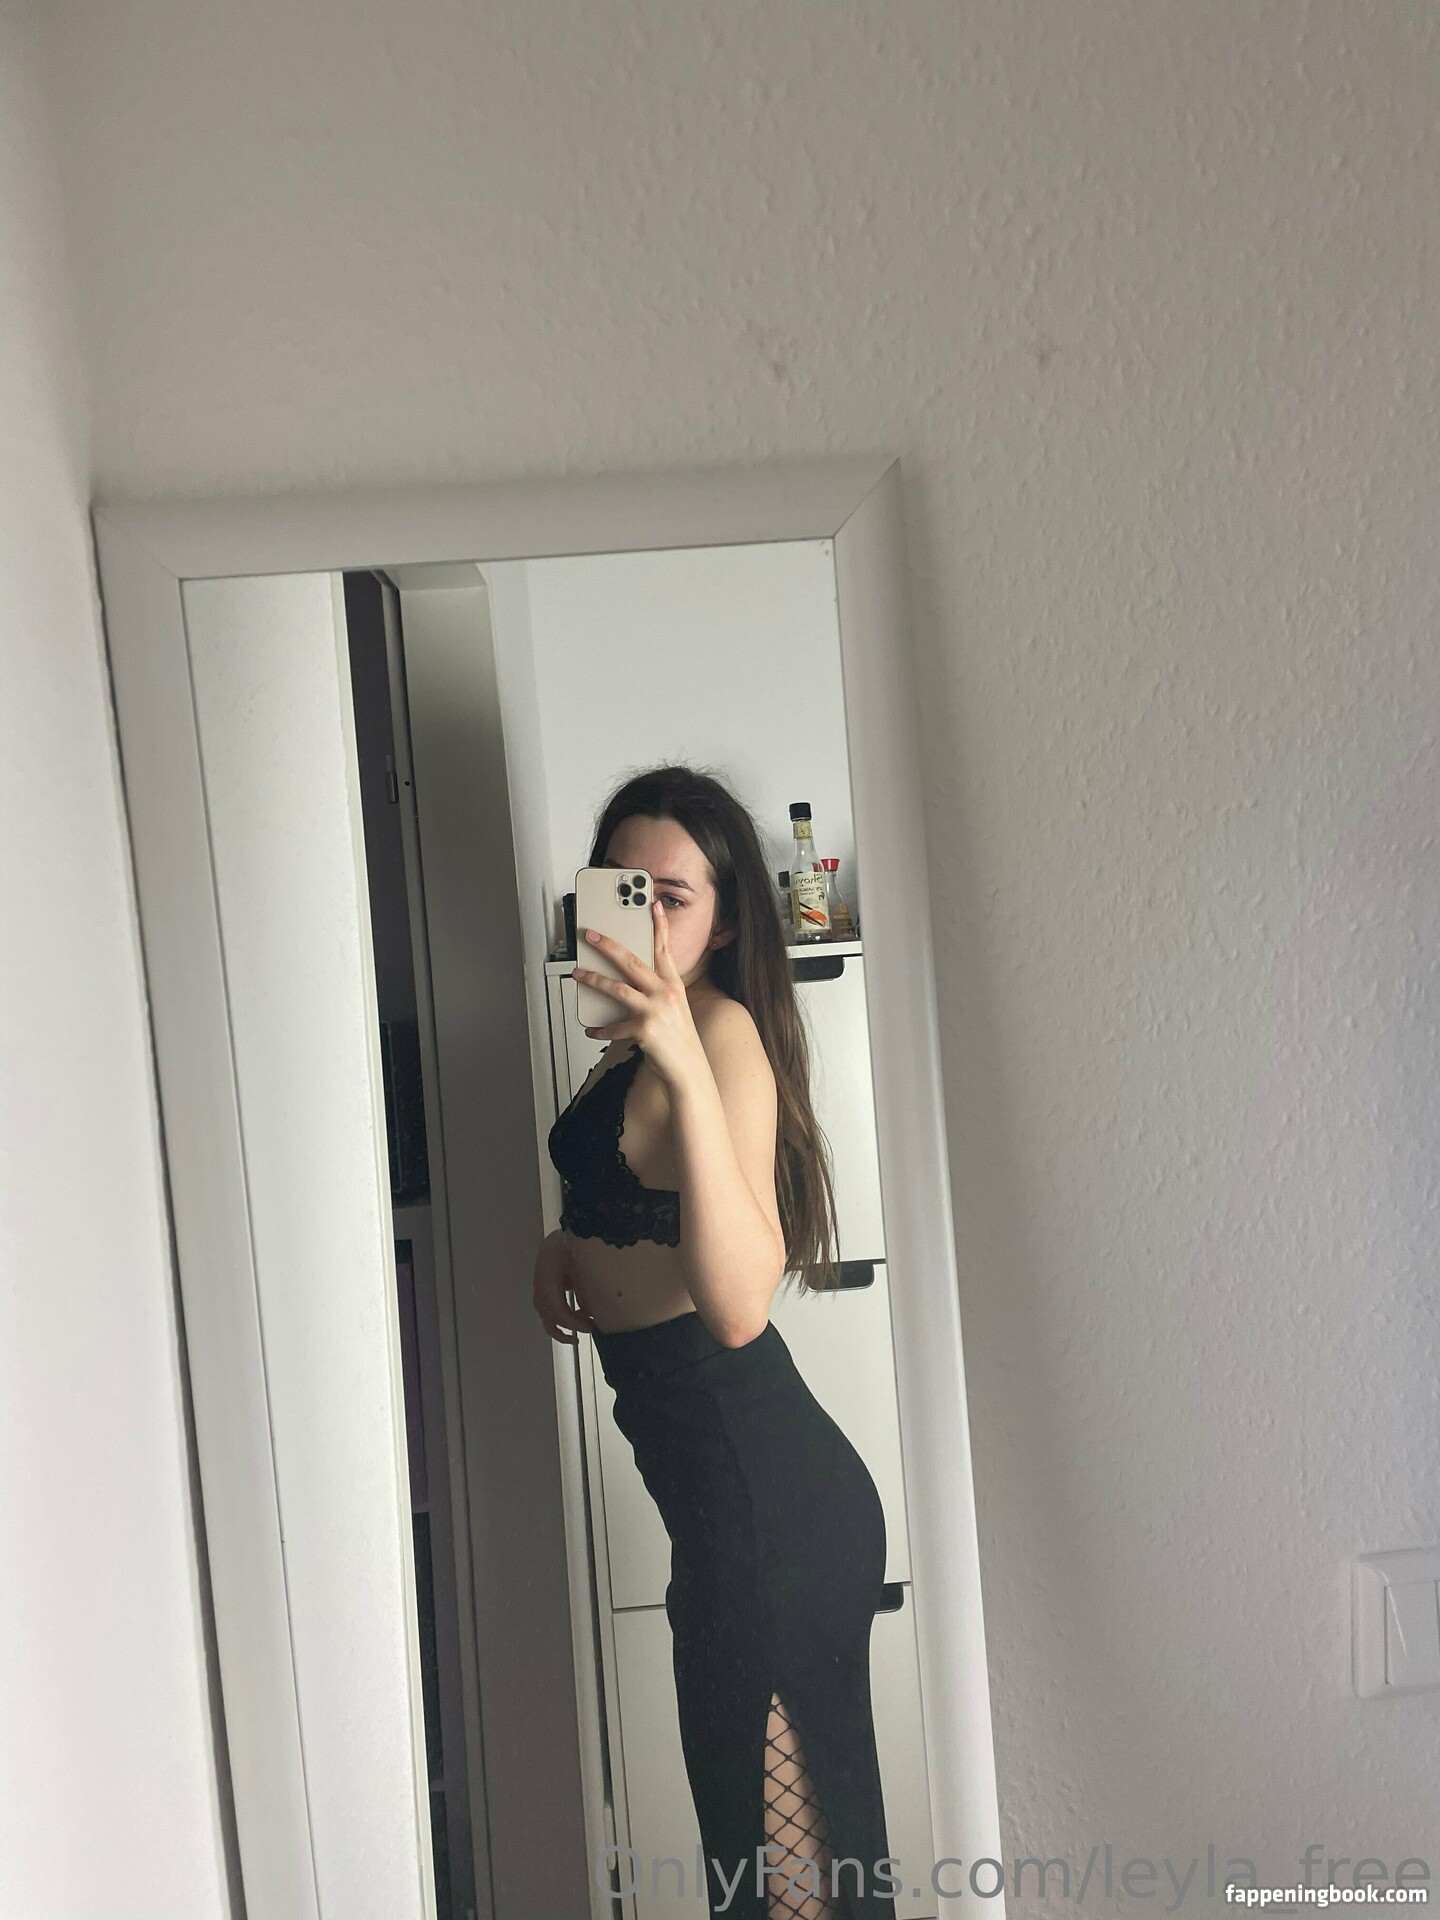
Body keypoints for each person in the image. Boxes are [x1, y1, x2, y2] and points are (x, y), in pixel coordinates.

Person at [536, 764, 896, 1920]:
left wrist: (686, 1063)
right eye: (621, 885)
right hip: (723, 1514)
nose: (642, 914)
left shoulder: (718, 1033)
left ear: (726, 921)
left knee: (787, 1885)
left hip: (769, 1514)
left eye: (673, 897)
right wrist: (566, 1244)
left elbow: (737, 1304)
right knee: (759, 1857)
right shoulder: (634, 1045)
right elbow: (641, 1192)